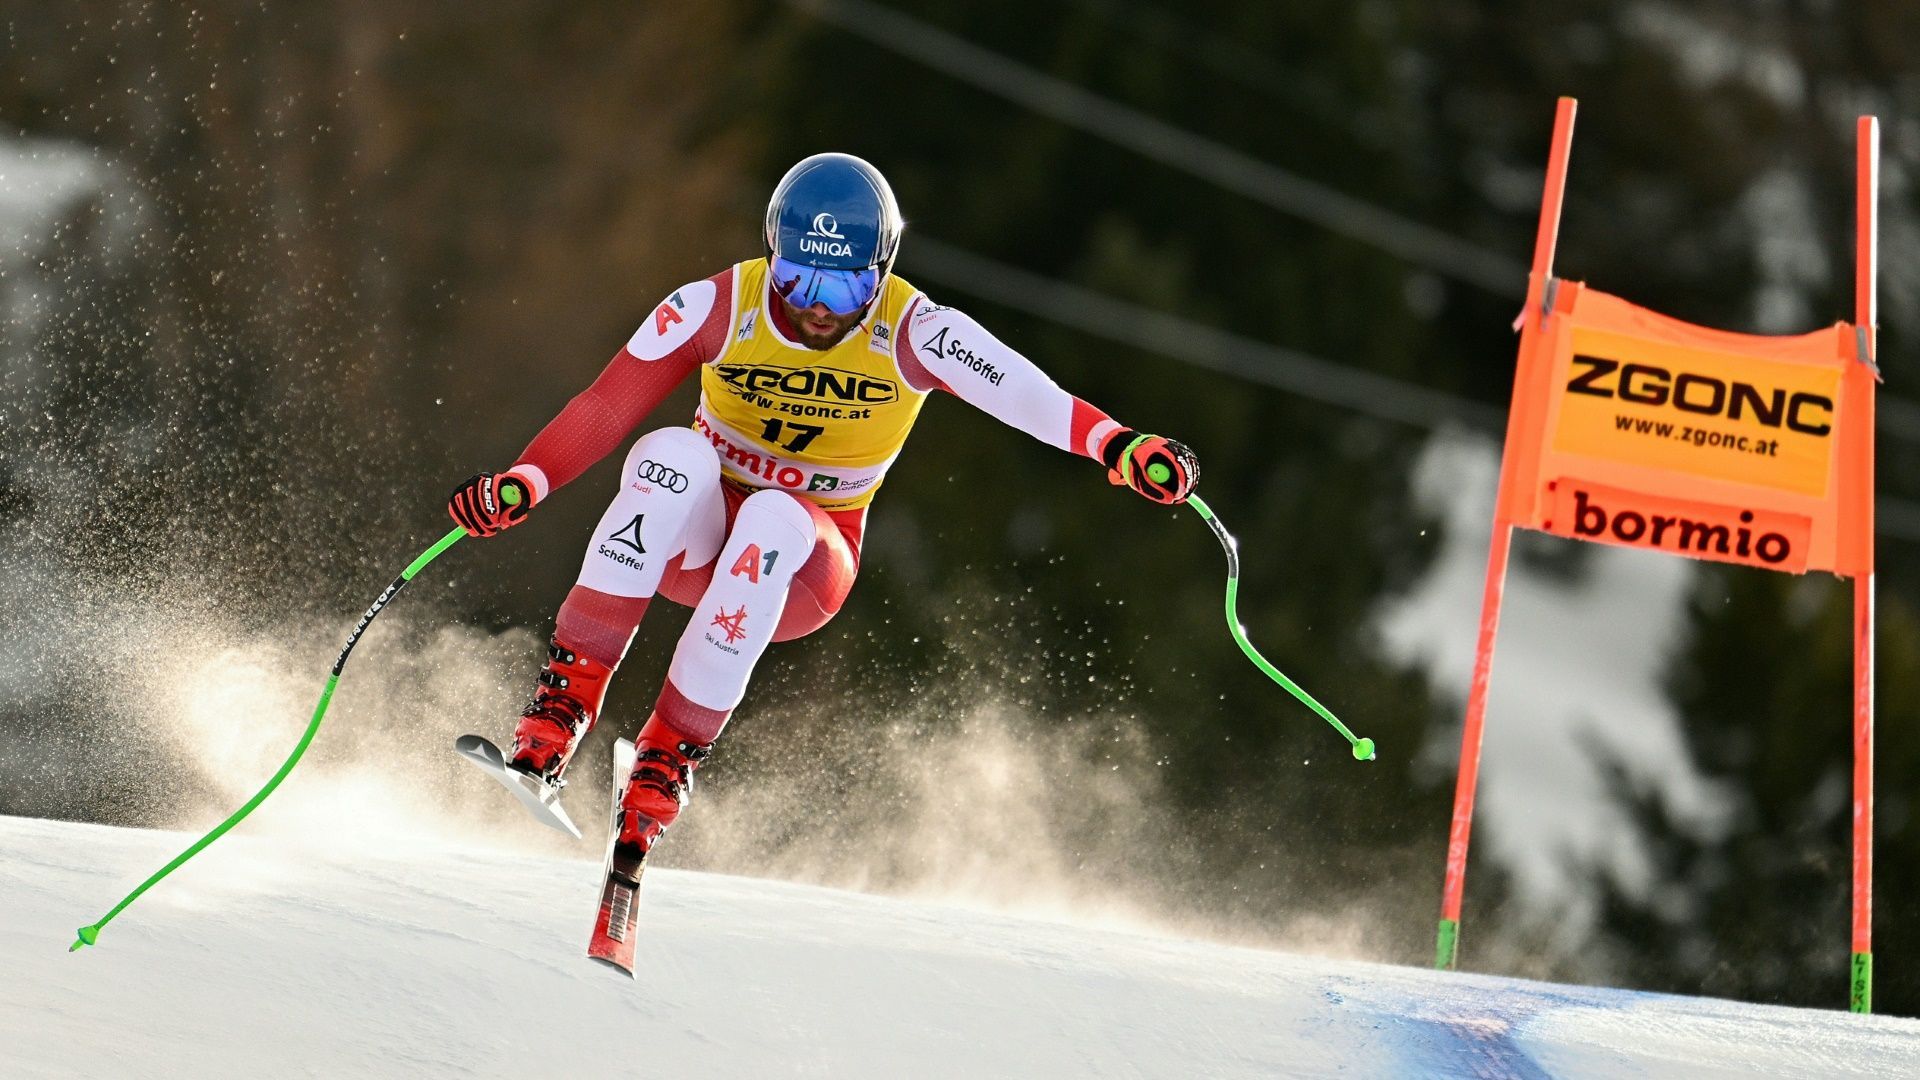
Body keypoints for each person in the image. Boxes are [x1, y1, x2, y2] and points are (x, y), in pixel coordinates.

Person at [447, 153, 1198, 859]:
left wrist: (1118, 445)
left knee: (774, 514)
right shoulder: (719, 303)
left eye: (843, 289)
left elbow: (1023, 392)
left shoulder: (914, 330)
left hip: (802, 563)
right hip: (699, 542)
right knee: (668, 455)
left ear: (881, 273)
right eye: (799, 280)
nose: (816, 310)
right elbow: (607, 405)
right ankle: (556, 718)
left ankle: (664, 762)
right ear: (772, 255)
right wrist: (525, 483)